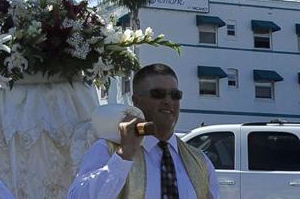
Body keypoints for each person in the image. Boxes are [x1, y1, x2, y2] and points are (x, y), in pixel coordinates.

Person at [69, 63, 220, 199]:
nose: (168, 101)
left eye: (175, 95)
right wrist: (124, 155)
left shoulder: (200, 161)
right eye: (158, 94)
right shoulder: (108, 149)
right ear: (136, 101)